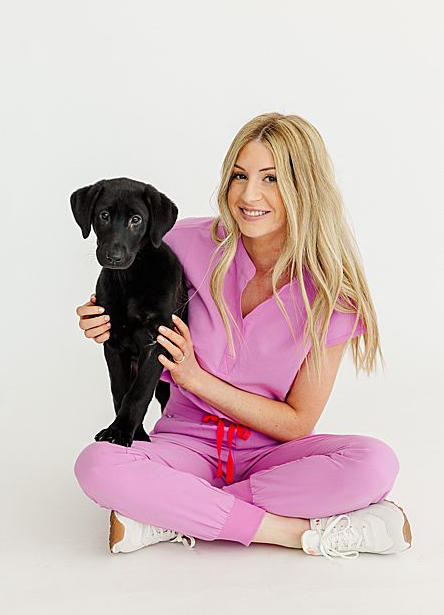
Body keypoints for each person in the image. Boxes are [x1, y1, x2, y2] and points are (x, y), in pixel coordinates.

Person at [73, 112, 411, 562]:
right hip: (184, 443)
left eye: (271, 178)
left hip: (270, 457)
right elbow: (127, 291)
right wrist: (102, 316)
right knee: (96, 464)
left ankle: (177, 511)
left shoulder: (332, 294)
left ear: (304, 188)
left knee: (375, 463)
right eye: (239, 175)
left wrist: (196, 378)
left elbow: (296, 423)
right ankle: (293, 532)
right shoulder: (181, 242)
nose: (249, 195)